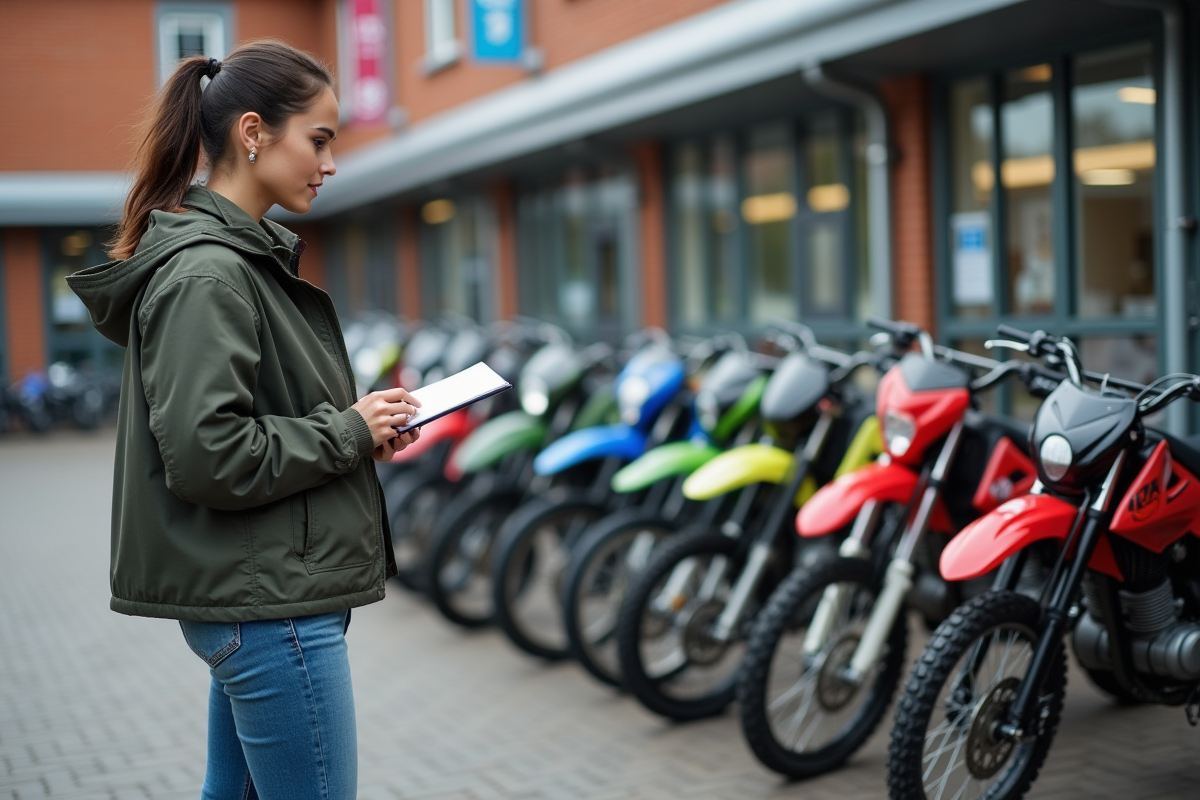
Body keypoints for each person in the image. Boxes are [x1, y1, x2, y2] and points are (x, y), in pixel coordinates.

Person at [67, 40, 417, 800]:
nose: (329, 164)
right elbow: (209, 453)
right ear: (254, 132)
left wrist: (361, 435)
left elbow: (254, 426)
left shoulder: (234, 260)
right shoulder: (209, 272)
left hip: (262, 597)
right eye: (318, 139)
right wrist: (347, 432)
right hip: (270, 609)